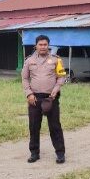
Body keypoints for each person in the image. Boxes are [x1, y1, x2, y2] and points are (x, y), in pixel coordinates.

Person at [21, 35, 67, 164]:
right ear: (36, 46)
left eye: (45, 45)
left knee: (55, 126)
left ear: (48, 46)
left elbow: (61, 76)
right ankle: (34, 153)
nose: (43, 47)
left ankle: (60, 153)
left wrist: (57, 88)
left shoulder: (56, 60)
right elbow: (24, 78)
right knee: (34, 127)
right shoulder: (29, 61)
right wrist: (29, 94)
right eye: (40, 45)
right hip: (34, 98)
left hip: (51, 98)